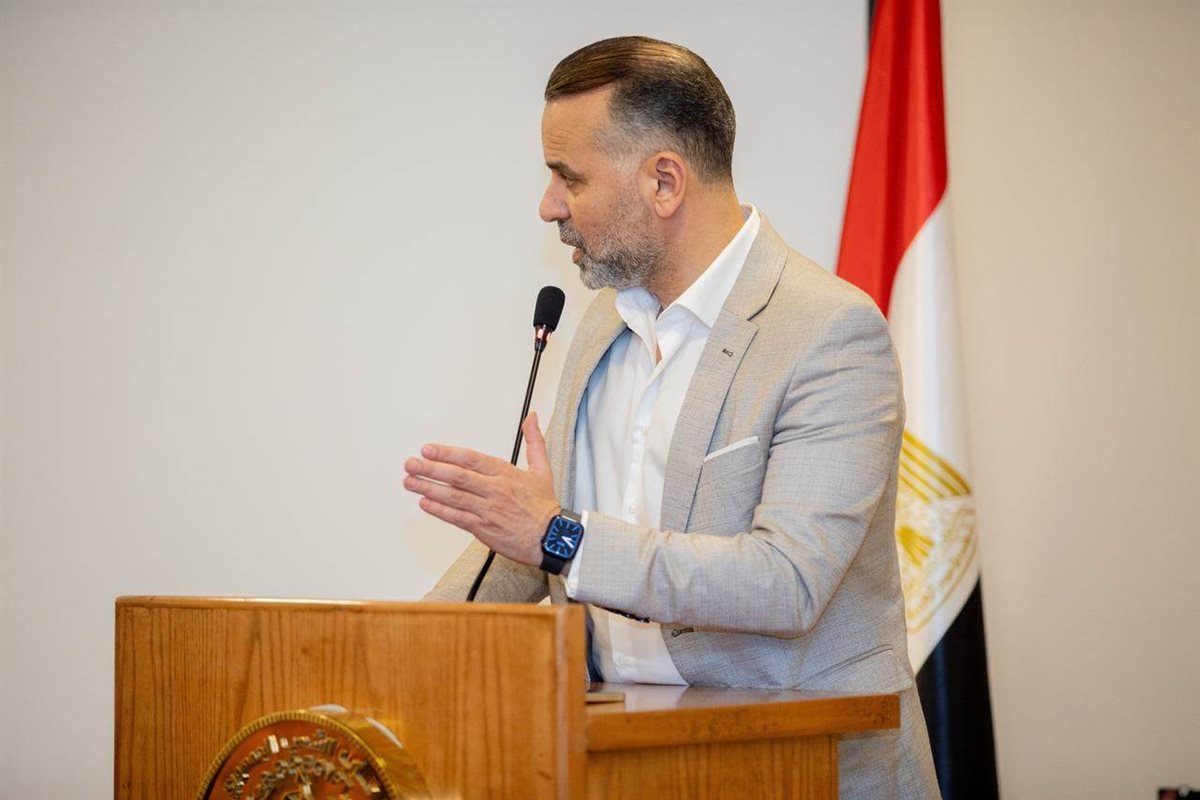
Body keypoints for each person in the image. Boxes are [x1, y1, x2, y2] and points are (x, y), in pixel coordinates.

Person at [408, 36, 939, 799]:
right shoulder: (604, 322)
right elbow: (540, 541)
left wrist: (559, 535)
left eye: (568, 177)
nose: (548, 206)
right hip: (616, 760)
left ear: (664, 181)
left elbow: (786, 581)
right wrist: (390, 649)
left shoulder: (828, 332)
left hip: (799, 767)